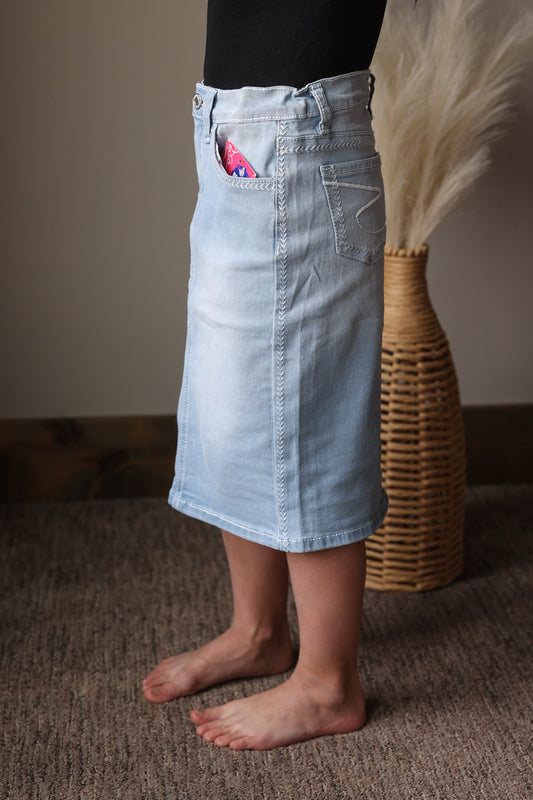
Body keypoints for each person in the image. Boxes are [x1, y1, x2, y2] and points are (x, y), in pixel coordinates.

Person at [143, 0, 389, 750]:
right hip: (237, 135)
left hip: (299, 143)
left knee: (306, 421)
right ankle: (259, 632)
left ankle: (327, 684)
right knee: (236, 408)